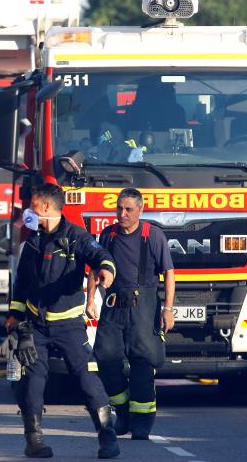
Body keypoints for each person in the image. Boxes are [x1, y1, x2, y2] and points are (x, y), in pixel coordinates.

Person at [5, 183, 120, 459]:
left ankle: (107, 436)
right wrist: (14, 315)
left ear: (46, 207)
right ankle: (34, 441)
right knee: (32, 380)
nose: (28, 211)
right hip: (36, 326)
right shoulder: (32, 241)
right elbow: (22, 284)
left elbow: (101, 256)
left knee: (87, 379)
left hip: (69, 326)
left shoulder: (75, 237)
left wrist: (106, 272)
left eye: (32, 205)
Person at [86, 187, 176, 441]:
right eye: (119, 208)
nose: (122, 214)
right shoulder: (107, 235)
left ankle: (142, 423)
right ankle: (122, 414)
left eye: (128, 209)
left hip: (144, 306)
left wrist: (168, 309)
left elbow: (169, 273)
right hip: (113, 306)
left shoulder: (153, 235)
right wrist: (90, 299)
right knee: (106, 360)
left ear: (140, 210)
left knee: (142, 364)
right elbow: (94, 268)